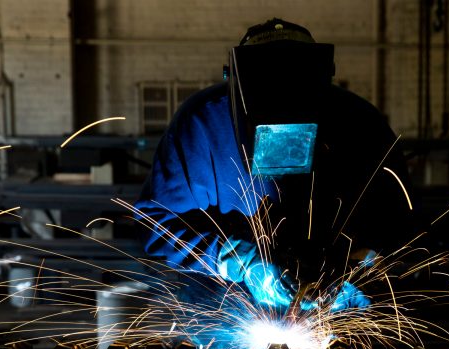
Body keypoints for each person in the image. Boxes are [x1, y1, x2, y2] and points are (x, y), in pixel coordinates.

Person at [135, 18, 412, 313]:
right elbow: (153, 224)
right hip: (222, 310)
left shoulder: (362, 126)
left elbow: (403, 228)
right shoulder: (200, 125)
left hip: (332, 310)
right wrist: (234, 260)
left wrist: (360, 267)